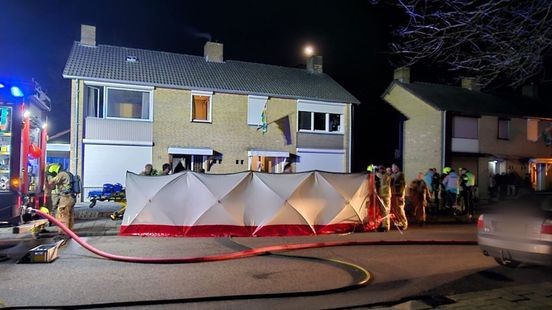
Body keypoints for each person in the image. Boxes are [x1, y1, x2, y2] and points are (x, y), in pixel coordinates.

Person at [47, 163, 76, 235]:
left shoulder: (61, 174)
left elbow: (52, 182)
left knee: (62, 215)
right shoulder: (68, 173)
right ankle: (69, 231)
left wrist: (49, 176)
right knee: (69, 215)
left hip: (66, 198)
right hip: (71, 197)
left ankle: (63, 233)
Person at [391, 163, 408, 230]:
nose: (392, 169)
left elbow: (402, 185)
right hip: (395, 195)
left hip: (399, 195)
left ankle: (404, 224)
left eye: (393, 167)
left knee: (400, 209)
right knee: (397, 210)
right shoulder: (394, 175)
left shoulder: (400, 175)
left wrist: (401, 195)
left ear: (396, 168)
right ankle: (400, 222)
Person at [376, 166, 392, 231]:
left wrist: (375, 171)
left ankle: (386, 226)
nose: (379, 171)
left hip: (386, 195)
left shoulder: (386, 176)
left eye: (380, 170)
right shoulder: (384, 176)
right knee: (383, 211)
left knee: (386, 210)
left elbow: (380, 176)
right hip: (383, 195)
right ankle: (383, 225)